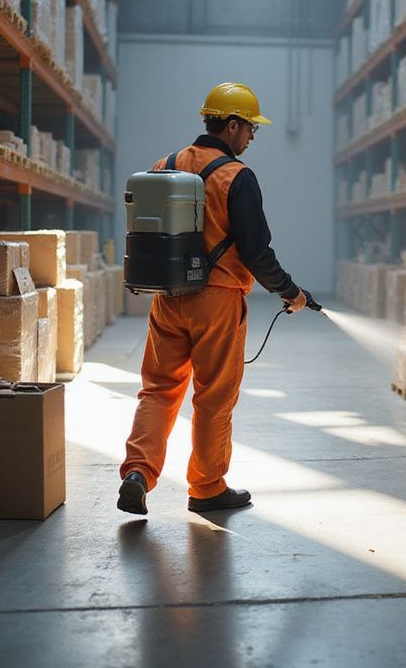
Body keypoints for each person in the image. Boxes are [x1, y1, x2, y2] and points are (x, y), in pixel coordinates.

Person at [117, 82, 307, 516]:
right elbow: (257, 251)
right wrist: (290, 292)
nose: (252, 137)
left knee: (158, 389)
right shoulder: (237, 177)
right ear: (233, 125)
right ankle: (206, 488)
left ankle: (138, 473)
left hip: (167, 296)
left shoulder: (164, 165)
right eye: (251, 128)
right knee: (213, 396)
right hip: (217, 301)